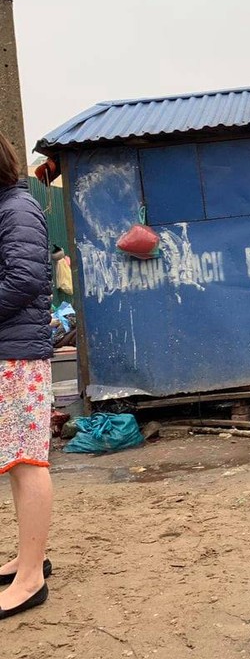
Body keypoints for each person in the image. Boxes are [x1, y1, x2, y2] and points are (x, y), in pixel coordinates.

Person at [0, 134, 54, 619]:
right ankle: (28, 558)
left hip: (16, 356)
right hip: (11, 353)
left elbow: (24, 280)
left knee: (26, 462)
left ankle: (31, 578)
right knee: (17, 462)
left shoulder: (15, 209)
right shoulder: (9, 206)